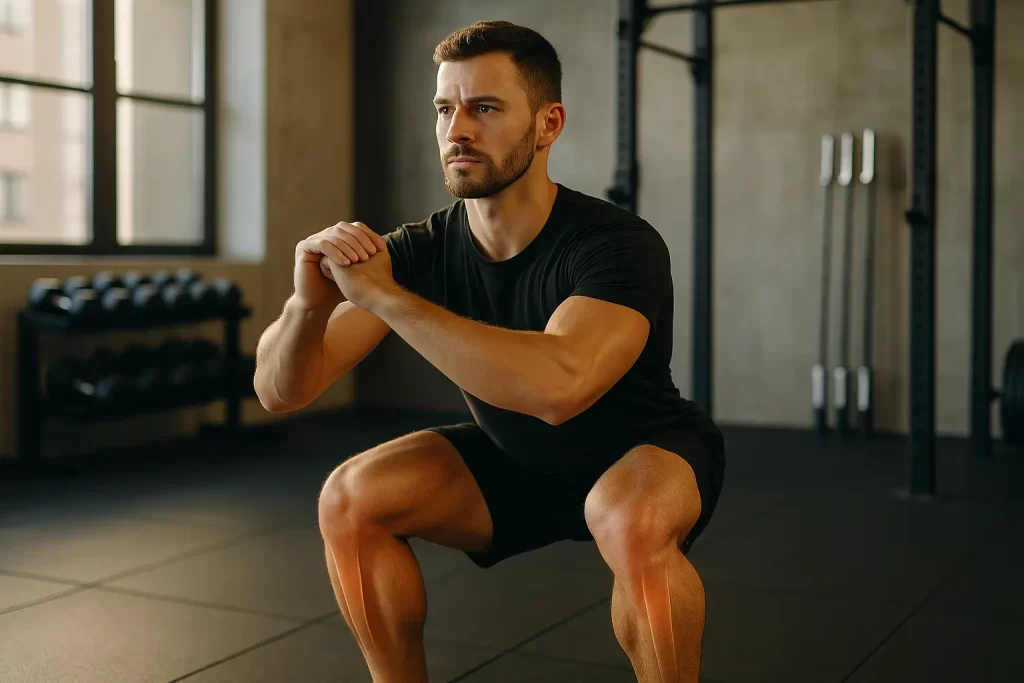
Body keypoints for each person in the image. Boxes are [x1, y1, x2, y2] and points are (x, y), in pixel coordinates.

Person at [253, 19, 725, 683]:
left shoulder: (615, 243)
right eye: (444, 109)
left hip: (642, 451)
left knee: (626, 519)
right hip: (516, 459)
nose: (457, 130)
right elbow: (280, 391)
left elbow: (559, 388)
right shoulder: (419, 250)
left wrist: (389, 299)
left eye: (484, 108)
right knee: (349, 498)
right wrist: (307, 307)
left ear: (548, 124)